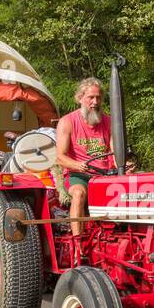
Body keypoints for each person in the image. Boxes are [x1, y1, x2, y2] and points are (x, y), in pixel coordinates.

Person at [56, 77, 113, 236]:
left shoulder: (109, 121)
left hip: (105, 175)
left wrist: (126, 164)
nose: (95, 102)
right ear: (80, 98)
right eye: (91, 97)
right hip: (78, 175)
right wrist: (77, 164)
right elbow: (60, 157)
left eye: (98, 98)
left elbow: (115, 153)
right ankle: (78, 243)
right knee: (79, 193)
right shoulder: (67, 122)